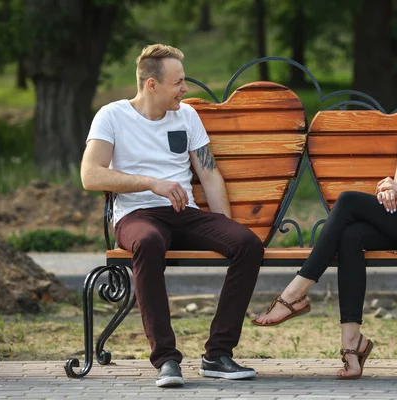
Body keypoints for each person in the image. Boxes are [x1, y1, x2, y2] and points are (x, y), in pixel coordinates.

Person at [253, 55, 397, 379]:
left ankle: (295, 292)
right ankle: (353, 345)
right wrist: (389, 192)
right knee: (351, 236)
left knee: (347, 200)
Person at [80, 44, 263, 387]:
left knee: (247, 244)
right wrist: (151, 183)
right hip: (136, 217)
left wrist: (224, 225)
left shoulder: (187, 116)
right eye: (178, 82)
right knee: (148, 243)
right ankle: (166, 359)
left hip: (184, 214)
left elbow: (208, 174)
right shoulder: (112, 116)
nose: (185, 88)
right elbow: (90, 175)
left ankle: (217, 355)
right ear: (152, 85)